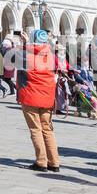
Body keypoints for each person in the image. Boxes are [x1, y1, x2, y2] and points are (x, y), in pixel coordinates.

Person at [17, 37, 61, 172]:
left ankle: (41, 161)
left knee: (36, 129)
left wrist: (24, 43)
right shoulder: (51, 56)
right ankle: (54, 162)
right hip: (47, 97)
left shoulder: (26, 55)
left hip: (30, 97)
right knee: (47, 129)